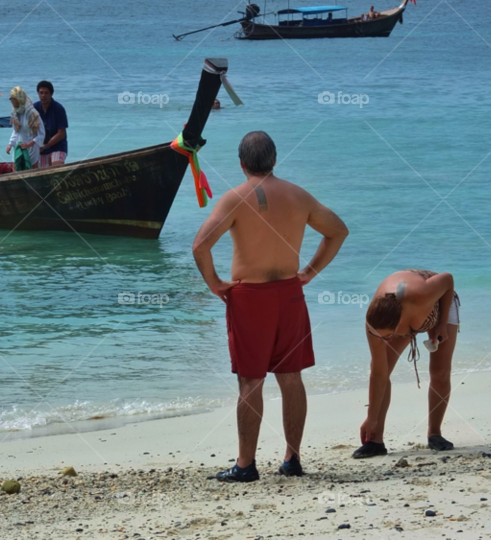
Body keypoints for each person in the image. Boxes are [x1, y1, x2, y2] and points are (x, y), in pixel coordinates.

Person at [192, 131, 348, 482]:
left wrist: (215, 284)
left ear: (242, 164)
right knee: (291, 378)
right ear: (274, 160)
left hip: (251, 298)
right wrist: (308, 272)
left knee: (251, 381)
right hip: (290, 294)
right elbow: (338, 231)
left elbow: (200, 246)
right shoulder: (298, 195)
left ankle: (246, 465)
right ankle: (292, 459)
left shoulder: (235, 198)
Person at [355, 270, 460, 458]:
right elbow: (378, 373)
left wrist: (442, 323)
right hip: (406, 313)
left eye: (388, 336)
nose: (383, 340)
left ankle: (435, 434)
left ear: (399, 325)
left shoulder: (421, 294)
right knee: (381, 368)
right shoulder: (374, 323)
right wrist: (371, 417)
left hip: (440, 303)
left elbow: (447, 279)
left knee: (440, 372)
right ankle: (375, 439)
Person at [5, 86, 45, 170]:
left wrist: (29, 144)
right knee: (16, 173)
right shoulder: (14, 113)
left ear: (17, 99)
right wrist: (10, 144)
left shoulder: (33, 113)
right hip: (18, 147)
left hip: (31, 149)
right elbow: (16, 131)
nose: (10, 100)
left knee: (31, 172)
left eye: (11, 98)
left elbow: (41, 134)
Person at [33, 81, 68, 168]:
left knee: (57, 170)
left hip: (58, 146)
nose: (43, 95)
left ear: (51, 94)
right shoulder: (34, 108)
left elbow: (61, 133)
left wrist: (45, 146)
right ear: (38, 94)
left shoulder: (58, 108)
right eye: (41, 93)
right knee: (43, 175)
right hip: (41, 149)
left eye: (46, 93)